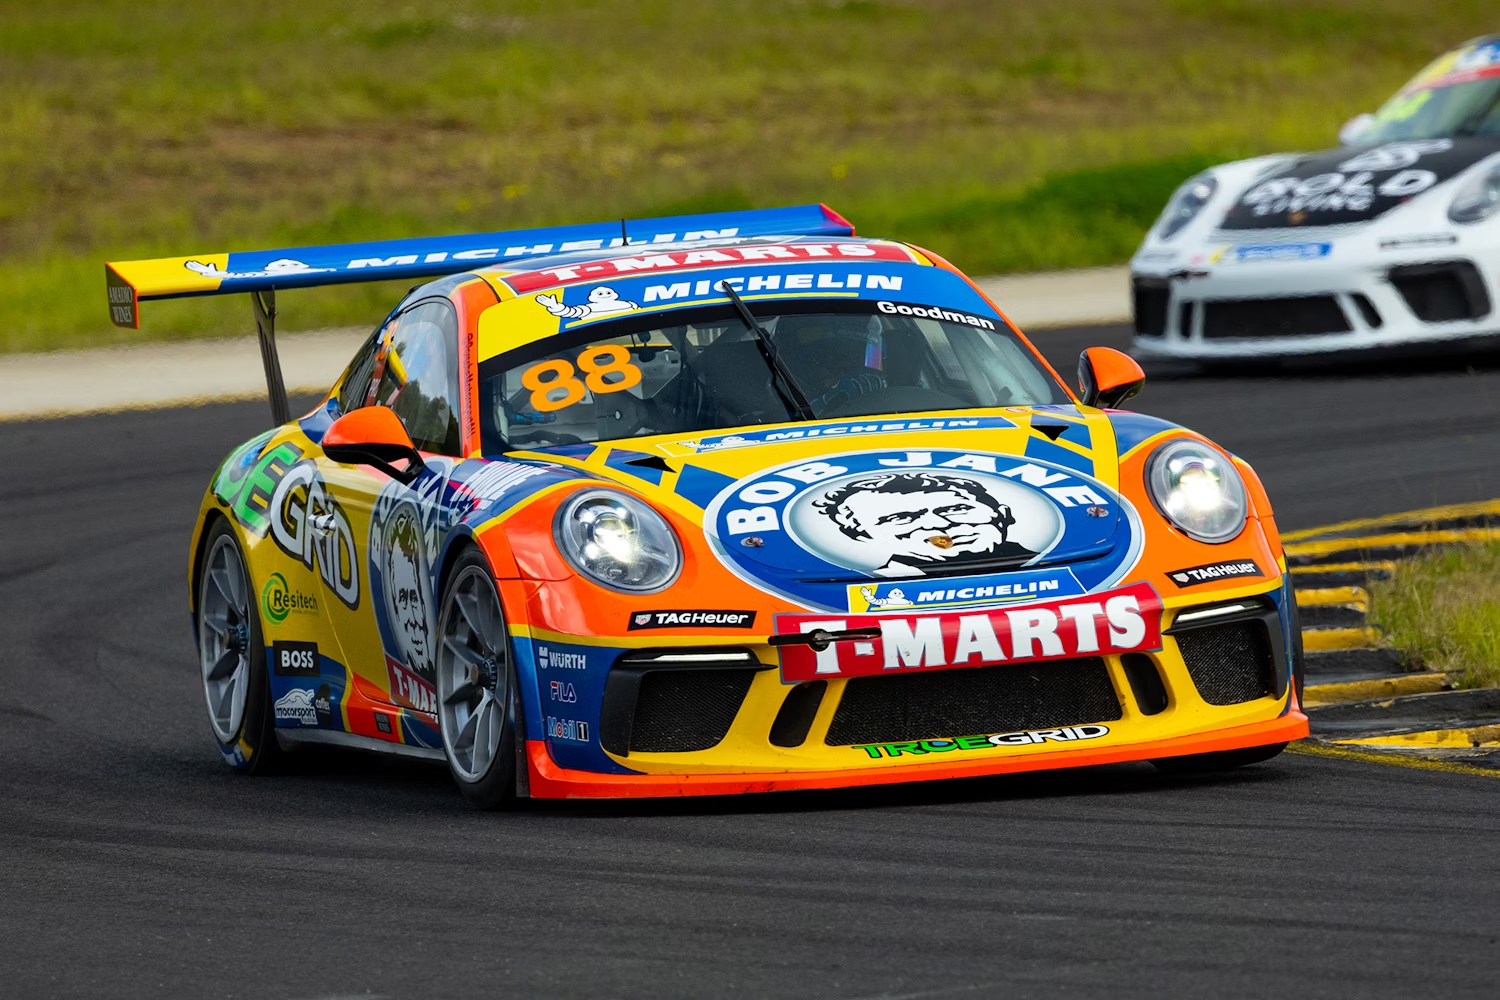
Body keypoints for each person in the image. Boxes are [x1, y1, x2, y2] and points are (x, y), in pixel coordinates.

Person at [812, 471, 1036, 577]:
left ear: (1002, 513)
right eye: (902, 518)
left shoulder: (1046, 558)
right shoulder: (867, 584)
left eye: (957, 509)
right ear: (860, 534)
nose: (938, 524)